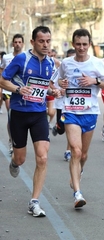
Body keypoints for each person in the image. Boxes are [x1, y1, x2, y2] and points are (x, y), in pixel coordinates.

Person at [0, 26, 58, 217]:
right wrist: (17, 89)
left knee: (42, 157)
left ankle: (34, 201)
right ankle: (15, 163)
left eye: (48, 41)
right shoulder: (22, 59)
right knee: (21, 158)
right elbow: (2, 79)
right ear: (33, 42)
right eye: (41, 41)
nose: (45, 44)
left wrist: (54, 91)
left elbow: (45, 88)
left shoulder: (50, 63)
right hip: (19, 113)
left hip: (38, 114)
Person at [58, 29, 104, 209]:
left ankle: (77, 173)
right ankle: (78, 194)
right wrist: (61, 84)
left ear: (89, 45)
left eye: (84, 44)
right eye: (78, 44)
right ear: (73, 44)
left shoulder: (96, 63)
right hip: (71, 111)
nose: (81, 47)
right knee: (76, 150)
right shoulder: (66, 63)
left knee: (84, 154)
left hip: (89, 113)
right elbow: (56, 81)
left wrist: (94, 81)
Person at [0, 34, 25, 155]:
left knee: (17, 118)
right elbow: (2, 72)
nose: (18, 44)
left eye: (20, 42)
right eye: (15, 42)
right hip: (8, 91)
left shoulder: (27, 57)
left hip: (22, 91)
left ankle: (17, 141)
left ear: (23, 44)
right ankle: (12, 141)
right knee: (11, 115)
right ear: (12, 44)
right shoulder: (6, 57)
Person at [51, 48, 76, 161]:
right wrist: (58, 90)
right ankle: (57, 126)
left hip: (73, 105)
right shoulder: (61, 68)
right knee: (62, 129)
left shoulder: (81, 70)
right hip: (61, 104)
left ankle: (68, 151)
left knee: (71, 126)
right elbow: (50, 83)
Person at [47, 48, 61, 128]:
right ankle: (44, 122)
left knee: (51, 112)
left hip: (51, 89)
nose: (50, 56)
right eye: (49, 54)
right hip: (42, 89)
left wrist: (57, 88)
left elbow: (60, 75)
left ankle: (48, 122)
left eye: (52, 55)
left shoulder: (57, 63)